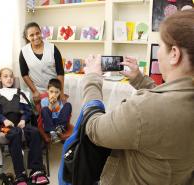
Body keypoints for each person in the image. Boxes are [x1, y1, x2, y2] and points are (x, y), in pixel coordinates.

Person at [82, 10, 194, 185]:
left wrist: (92, 78)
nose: (158, 53)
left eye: (160, 46)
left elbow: (94, 129)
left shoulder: (143, 108)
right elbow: (172, 100)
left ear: (174, 53)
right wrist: (140, 79)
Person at [0, 68, 49, 185]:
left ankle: (36, 170)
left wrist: (23, 120)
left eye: (11, 76)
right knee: (14, 133)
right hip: (4, 127)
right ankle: (20, 175)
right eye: (5, 76)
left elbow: (28, 111)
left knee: (35, 132)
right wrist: (4, 120)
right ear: (0, 79)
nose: (9, 79)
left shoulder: (21, 93)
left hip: (20, 124)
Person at [19, 22, 66, 140]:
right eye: (31, 35)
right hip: (38, 90)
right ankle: (42, 141)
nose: (35, 37)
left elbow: (60, 72)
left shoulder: (53, 48)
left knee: (57, 112)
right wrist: (34, 91)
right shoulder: (24, 52)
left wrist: (60, 92)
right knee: (41, 116)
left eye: (37, 33)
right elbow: (24, 74)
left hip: (55, 89)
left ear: (41, 33)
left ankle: (57, 133)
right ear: (27, 37)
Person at [41, 79, 72, 143]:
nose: (54, 94)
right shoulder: (44, 100)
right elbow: (46, 115)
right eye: (51, 91)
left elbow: (61, 115)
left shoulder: (60, 102)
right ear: (48, 91)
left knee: (68, 105)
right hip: (49, 122)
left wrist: (55, 104)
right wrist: (50, 104)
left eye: (56, 92)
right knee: (45, 109)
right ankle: (52, 133)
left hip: (59, 123)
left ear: (60, 92)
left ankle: (59, 129)